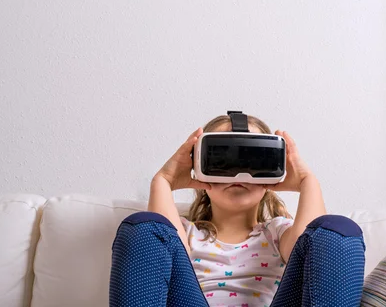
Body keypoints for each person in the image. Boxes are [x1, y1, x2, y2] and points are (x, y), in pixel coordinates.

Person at [109, 114, 366, 307]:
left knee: (337, 232)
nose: (237, 173)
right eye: (222, 159)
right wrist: (164, 179)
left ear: (270, 177)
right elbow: (157, 236)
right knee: (144, 229)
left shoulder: (277, 233)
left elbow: (316, 246)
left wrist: (306, 180)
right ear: (199, 170)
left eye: (252, 159)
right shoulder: (185, 235)